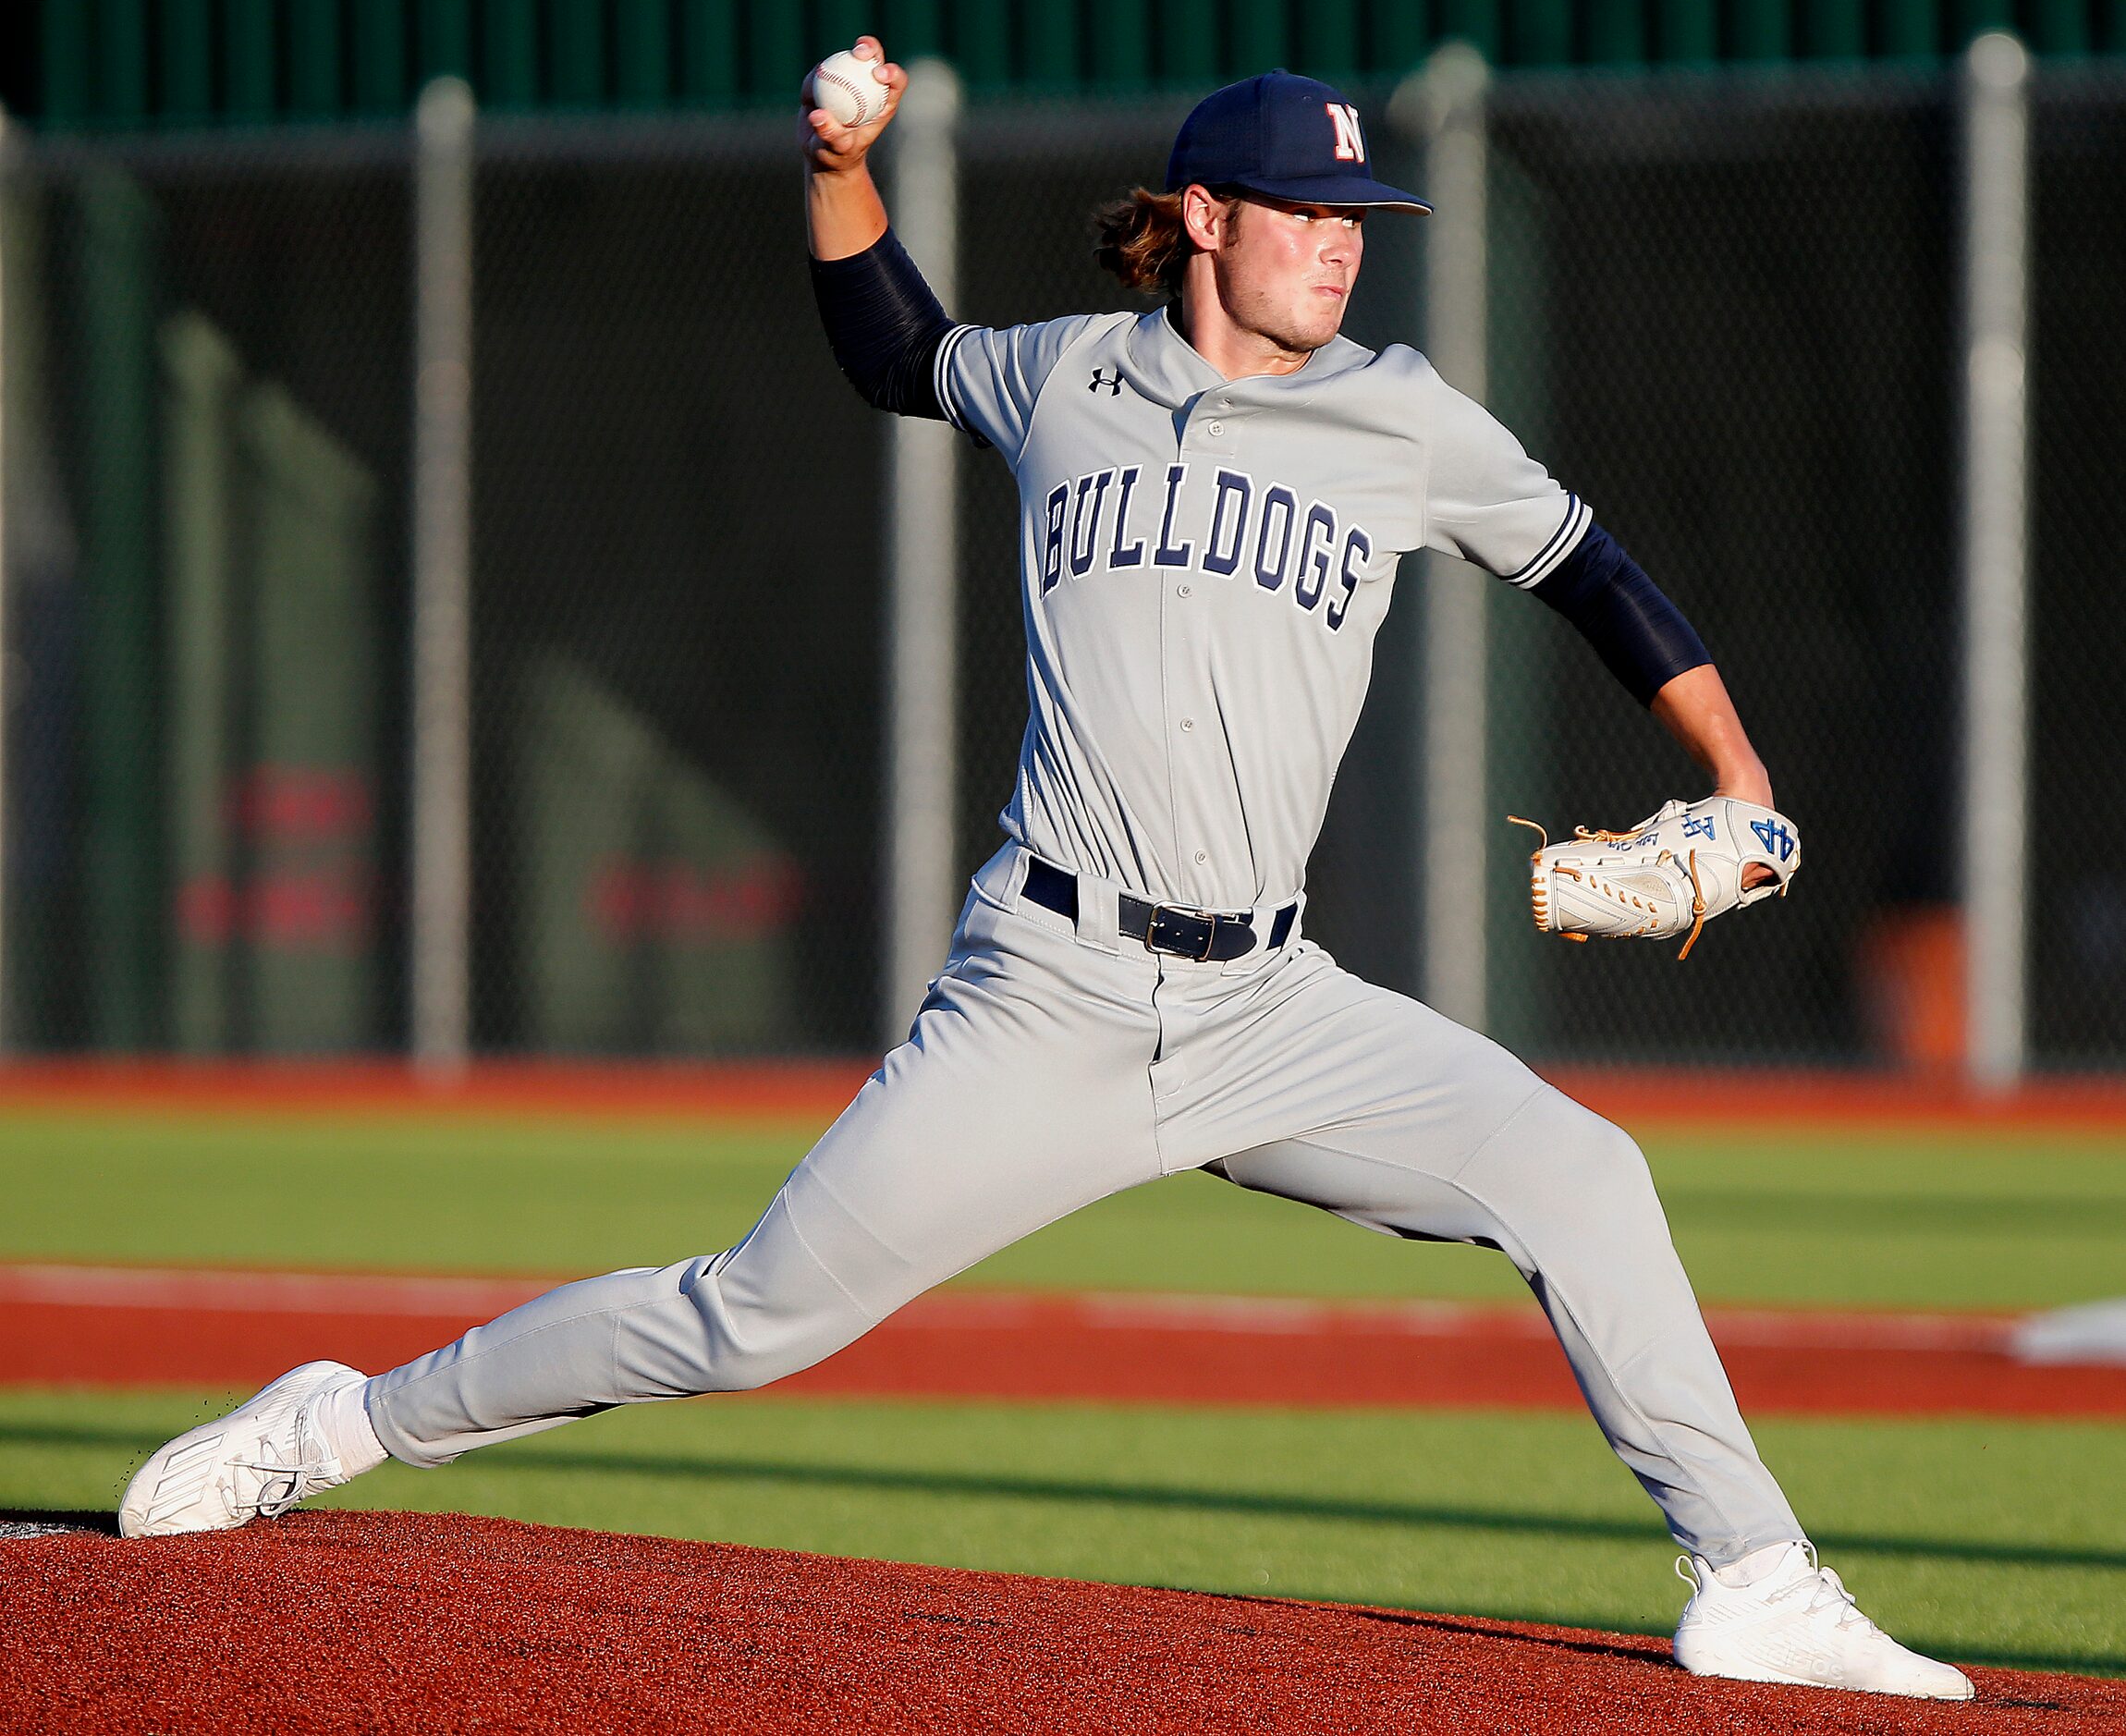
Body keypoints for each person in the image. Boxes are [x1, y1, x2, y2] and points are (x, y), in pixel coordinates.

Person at [120, 43, 1971, 1703]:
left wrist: (1730, 773)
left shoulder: (1403, 417)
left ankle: (1752, 1576)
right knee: (751, 1318)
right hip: (1048, 992)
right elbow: (887, 348)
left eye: (1358, 216)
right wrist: (838, 162)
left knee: (1579, 1170)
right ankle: (347, 1418)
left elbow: (1590, 570)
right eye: (1309, 213)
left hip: (1270, 1005)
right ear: (1201, 217)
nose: (1343, 244)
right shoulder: (1058, 376)